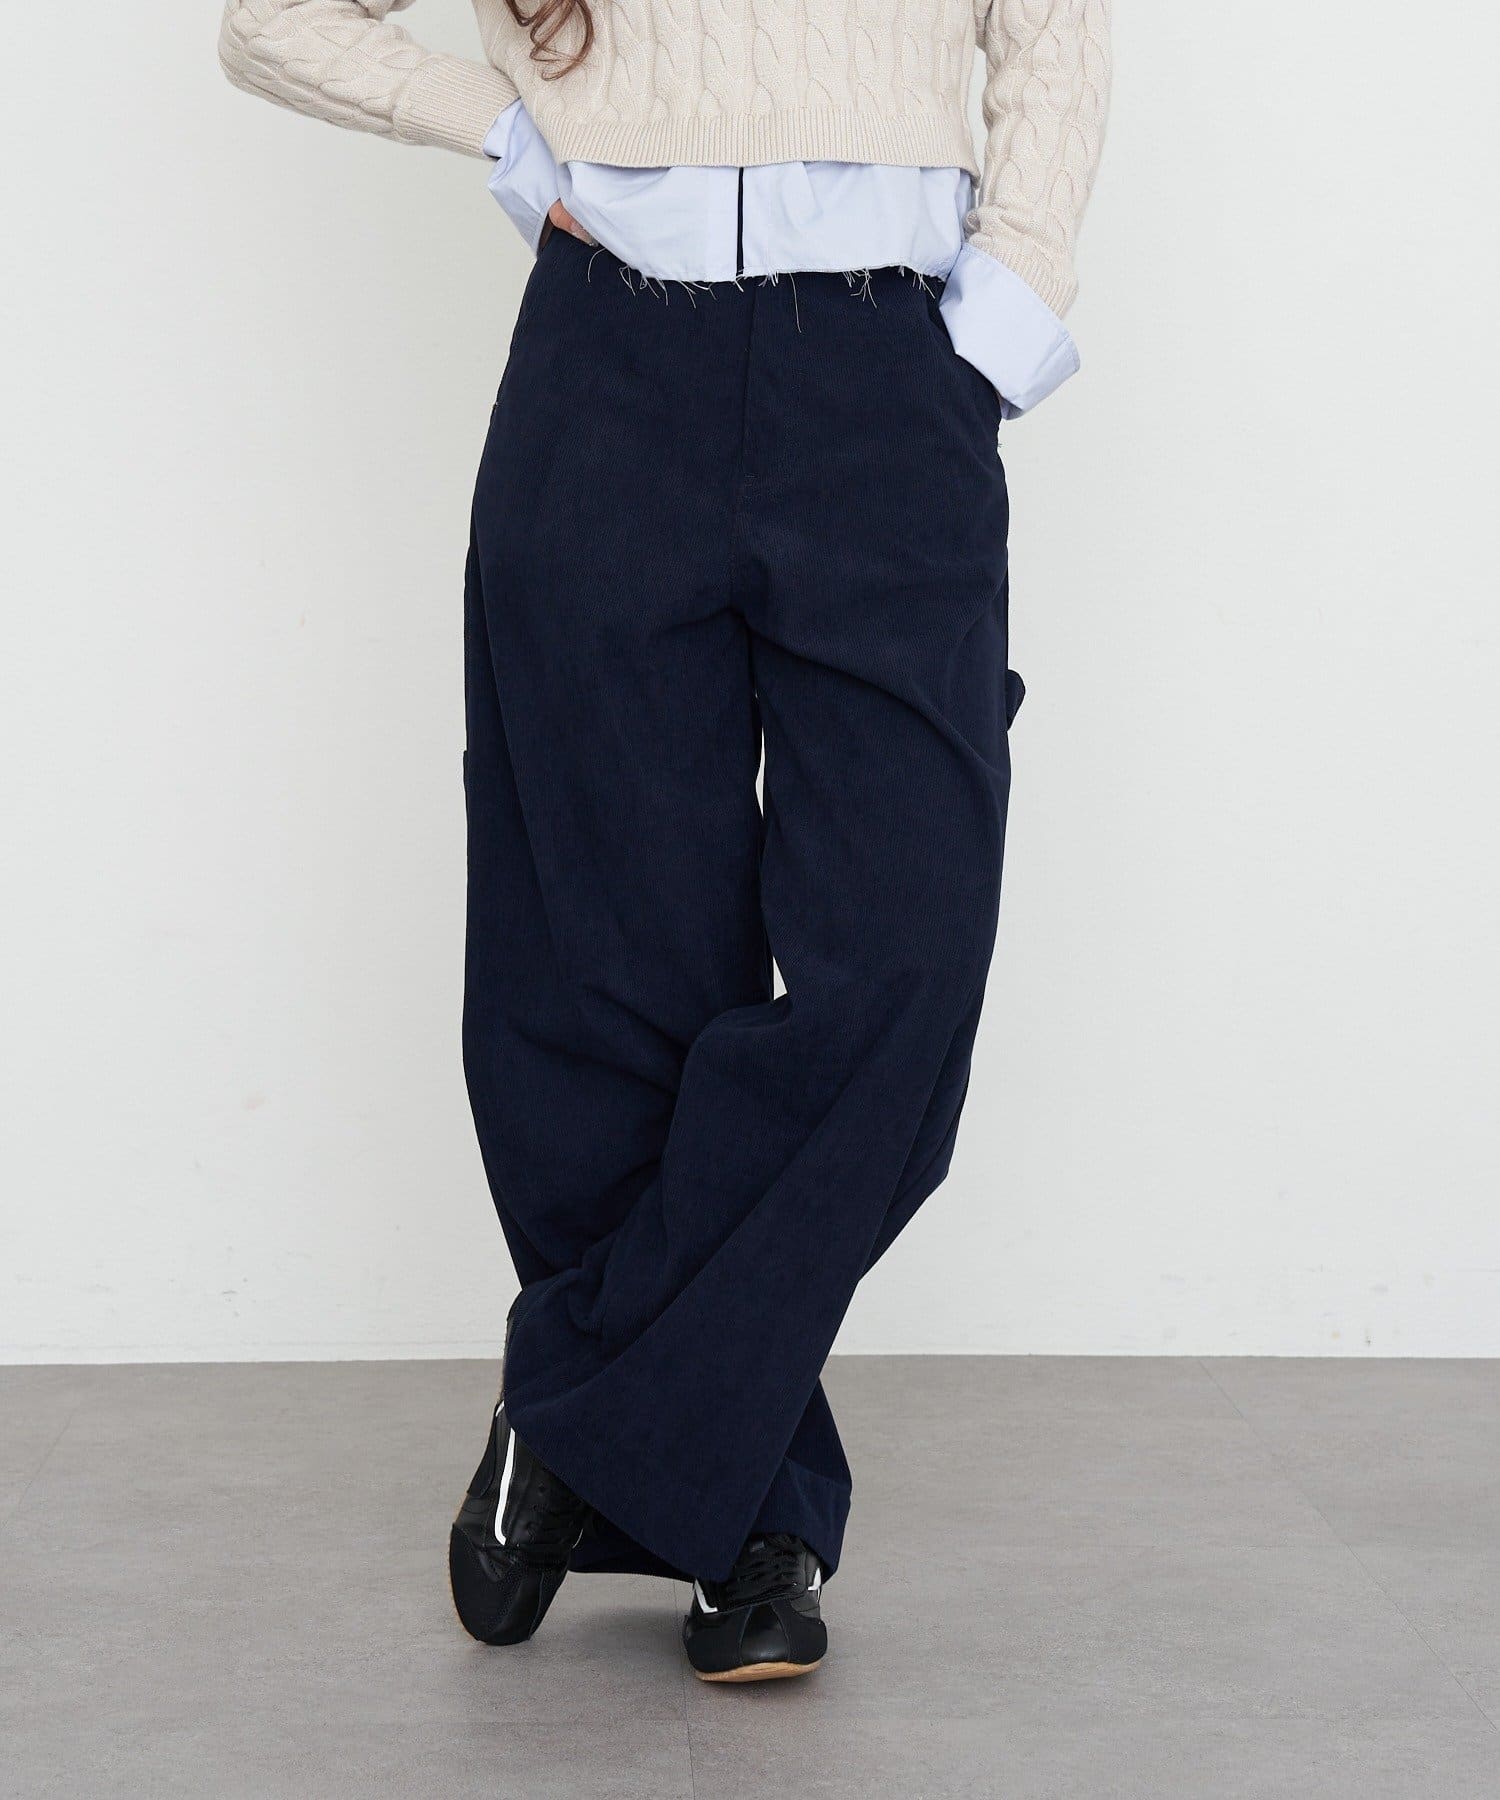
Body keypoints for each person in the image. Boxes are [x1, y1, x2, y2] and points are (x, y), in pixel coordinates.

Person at [219, 0, 1111, 1684]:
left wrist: (1010, 305)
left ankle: (573, 1416)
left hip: (889, 381)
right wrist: (503, 127)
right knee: (603, 974)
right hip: (609, 369)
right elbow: (271, 23)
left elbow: (1052, 29)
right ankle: (754, 1528)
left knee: (905, 957)